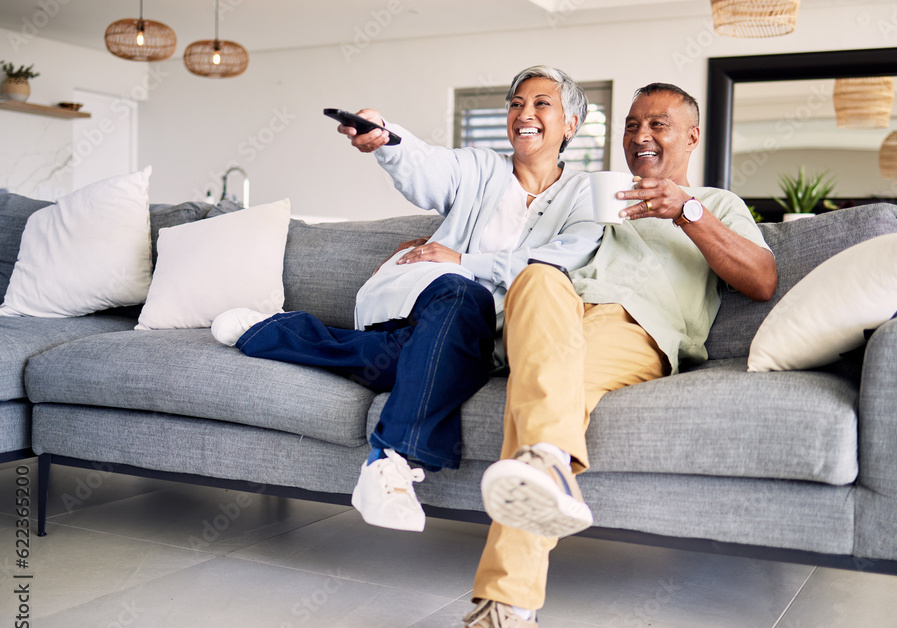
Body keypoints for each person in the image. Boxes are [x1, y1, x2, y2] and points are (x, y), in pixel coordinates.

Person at [421, 83, 777, 628]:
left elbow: (762, 280)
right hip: (544, 318)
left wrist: (684, 212)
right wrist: (446, 251)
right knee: (537, 278)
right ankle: (549, 465)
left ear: (691, 136)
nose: (640, 135)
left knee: (543, 408)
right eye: (632, 124)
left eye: (658, 125)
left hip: (632, 328)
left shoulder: (717, 202)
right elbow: (515, 233)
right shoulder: (587, 196)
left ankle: (506, 611)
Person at [211, 66, 603, 534]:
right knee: (465, 295)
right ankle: (388, 460)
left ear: (571, 125)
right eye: (517, 103)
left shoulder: (584, 193)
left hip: (490, 336)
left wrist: (464, 258)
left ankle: (272, 331)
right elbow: (429, 166)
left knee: (422, 356)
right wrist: (388, 139)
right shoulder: (482, 168)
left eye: (542, 104)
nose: (525, 113)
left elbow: (563, 259)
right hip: (431, 295)